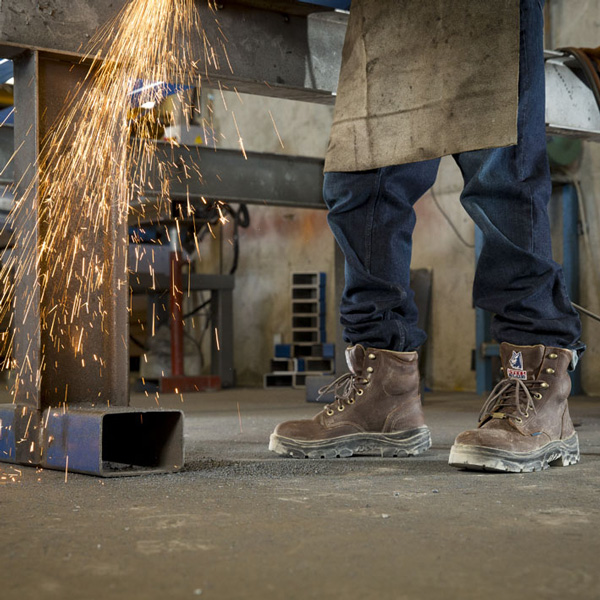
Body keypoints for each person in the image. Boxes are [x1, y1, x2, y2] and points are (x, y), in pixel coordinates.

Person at [268, 0, 585, 472]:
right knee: (360, 183)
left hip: (483, 13)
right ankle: (384, 394)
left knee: (502, 180)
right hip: (386, 15)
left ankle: (540, 384)